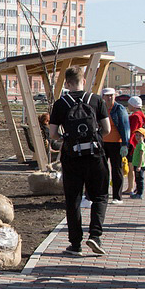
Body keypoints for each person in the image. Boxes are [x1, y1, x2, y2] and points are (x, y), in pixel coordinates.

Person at [48, 66, 112, 256]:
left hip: (72, 157)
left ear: (67, 84)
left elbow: (52, 134)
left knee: (73, 200)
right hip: (95, 156)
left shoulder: (60, 104)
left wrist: (65, 139)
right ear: (84, 81)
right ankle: (95, 235)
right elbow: (106, 129)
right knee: (100, 196)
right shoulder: (96, 100)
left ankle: (75, 244)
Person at [99, 88, 130, 204]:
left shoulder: (119, 109)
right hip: (103, 142)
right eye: (107, 96)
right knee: (102, 170)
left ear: (115, 96)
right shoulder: (101, 108)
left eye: (111, 95)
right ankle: (102, 195)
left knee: (116, 169)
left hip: (116, 143)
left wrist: (125, 144)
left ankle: (117, 196)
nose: (109, 98)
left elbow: (125, 127)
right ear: (103, 97)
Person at [126, 96, 145, 199]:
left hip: (133, 145)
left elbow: (133, 131)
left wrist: (128, 144)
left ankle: (131, 187)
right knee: (132, 167)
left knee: (131, 167)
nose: (128, 106)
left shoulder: (135, 116)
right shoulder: (141, 115)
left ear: (133, 105)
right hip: (137, 145)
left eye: (129, 104)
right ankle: (133, 187)